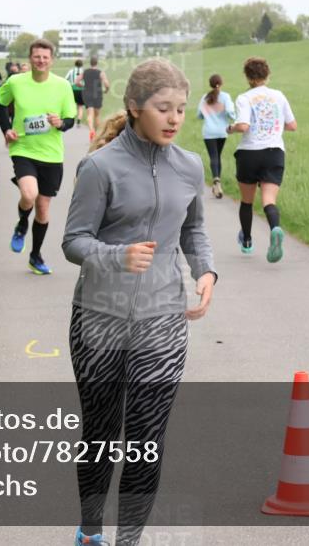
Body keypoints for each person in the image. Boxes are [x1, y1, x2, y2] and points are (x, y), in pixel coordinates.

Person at [62, 58, 217, 546]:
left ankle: (128, 540)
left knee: (147, 442)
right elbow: (74, 241)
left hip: (163, 319)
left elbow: (194, 229)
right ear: (134, 108)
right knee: (102, 436)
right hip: (100, 319)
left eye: (181, 110)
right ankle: (90, 532)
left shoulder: (189, 165)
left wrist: (206, 271)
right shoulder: (99, 167)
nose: (173, 119)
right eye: (162, 108)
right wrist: (116, 256)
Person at [0, 38, 76, 275]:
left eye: (45, 57)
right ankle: (21, 224)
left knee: (42, 208)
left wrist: (59, 122)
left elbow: (70, 120)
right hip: (23, 148)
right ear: (30, 58)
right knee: (29, 195)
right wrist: (6, 129)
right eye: (36, 56)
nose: (41, 60)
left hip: (51, 154)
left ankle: (35, 256)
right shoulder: (16, 82)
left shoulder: (62, 86)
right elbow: (1, 103)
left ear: (51, 60)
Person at [227, 57, 297, 261]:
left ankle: (247, 241)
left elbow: (243, 126)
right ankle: (275, 228)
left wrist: (230, 128)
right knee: (268, 200)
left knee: (247, 201)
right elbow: (292, 125)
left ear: (247, 77)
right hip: (274, 152)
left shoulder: (244, 97)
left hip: (249, 153)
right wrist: (274, 126)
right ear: (268, 75)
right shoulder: (279, 96)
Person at [197, 74, 236, 198]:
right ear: (221, 83)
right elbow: (230, 112)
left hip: (209, 132)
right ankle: (217, 183)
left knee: (213, 156)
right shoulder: (225, 97)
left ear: (210, 84)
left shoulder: (205, 97)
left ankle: (216, 181)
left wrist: (207, 115)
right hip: (222, 131)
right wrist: (234, 118)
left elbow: (199, 115)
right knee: (218, 156)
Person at [81, 56, 110, 142]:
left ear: (90, 62)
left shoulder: (85, 72)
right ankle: (97, 134)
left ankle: (91, 131)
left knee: (90, 114)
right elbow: (107, 84)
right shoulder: (100, 73)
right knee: (97, 115)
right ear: (97, 62)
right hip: (97, 94)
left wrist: (83, 86)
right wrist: (106, 90)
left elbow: (76, 81)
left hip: (87, 94)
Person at [65, 59, 86, 129]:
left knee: (73, 104)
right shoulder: (84, 71)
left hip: (72, 89)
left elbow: (65, 79)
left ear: (75, 64)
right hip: (81, 90)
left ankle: (72, 119)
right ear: (82, 64)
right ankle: (79, 121)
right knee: (80, 106)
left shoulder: (71, 71)